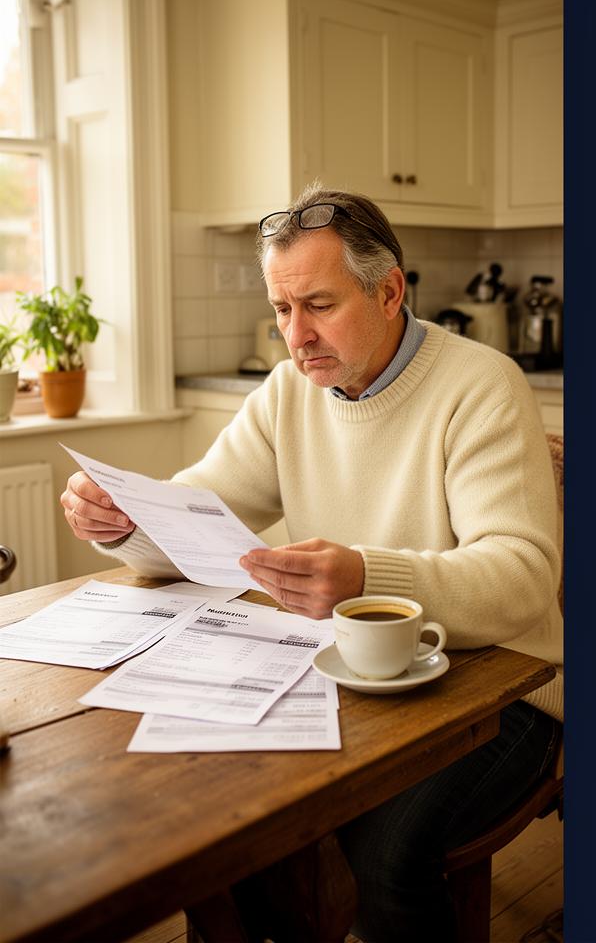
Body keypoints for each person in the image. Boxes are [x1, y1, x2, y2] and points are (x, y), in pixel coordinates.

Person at [59, 183, 563, 942]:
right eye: (281, 309)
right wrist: (126, 520)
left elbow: (521, 580)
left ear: (389, 292)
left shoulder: (481, 385)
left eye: (319, 305)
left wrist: (364, 576)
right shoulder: (288, 393)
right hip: (355, 676)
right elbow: (197, 513)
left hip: (509, 686)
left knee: (383, 861)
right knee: (242, 822)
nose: (296, 336)